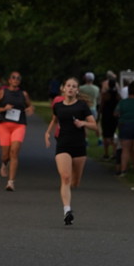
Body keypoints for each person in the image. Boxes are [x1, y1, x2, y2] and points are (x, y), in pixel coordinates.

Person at [45, 77, 98, 225]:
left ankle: (71, 193)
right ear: (63, 88)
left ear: (77, 90)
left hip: (79, 146)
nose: (70, 88)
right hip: (63, 144)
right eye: (68, 85)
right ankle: (67, 210)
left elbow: (94, 126)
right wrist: (47, 133)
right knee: (65, 178)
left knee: (75, 182)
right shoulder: (58, 106)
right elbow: (54, 120)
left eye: (74, 86)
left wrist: (83, 123)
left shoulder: (82, 106)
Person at [0, 71, 34, 191]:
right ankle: (4, 163)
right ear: (9, 80)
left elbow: (30, 106)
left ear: (20, 81)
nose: (15, 80)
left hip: (19, 125)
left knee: (14, 152)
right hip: (4, 125)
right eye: (13, 78)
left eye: (18, 78)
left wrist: (30, 109)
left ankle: (11, 182)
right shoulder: (3, 92)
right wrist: (4, 108)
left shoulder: (23, 94)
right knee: (5, 155)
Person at [99, 71, 121, 160]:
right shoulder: (117, 95)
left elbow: (101, 105)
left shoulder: (105, 94)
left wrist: (99, 114)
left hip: (106, 115)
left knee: (105, 135)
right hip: (114, 116)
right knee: (112, 134)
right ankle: (114, 152)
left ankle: (106, 153)